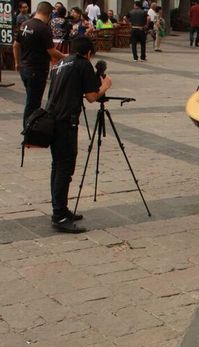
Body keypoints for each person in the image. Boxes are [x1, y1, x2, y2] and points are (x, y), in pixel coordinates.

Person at [47, 36, 112, 233]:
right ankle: (59, 215)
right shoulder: (83, 64)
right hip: (66, 122)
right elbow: (92, 97)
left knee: (58, 165)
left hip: (52, 119)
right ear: (89, 53)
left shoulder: (62, 62)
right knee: (65, 167)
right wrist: (105, 85)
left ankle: (61, 208)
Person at [13, 1, 66, 128]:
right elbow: (51, 51)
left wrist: (17, 62)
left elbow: (16, 45)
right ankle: (28, 130)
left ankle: (31, 128)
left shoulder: (24, 24)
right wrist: (65, 56)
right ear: (48, 15)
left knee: (31, 98)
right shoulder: (44, 28)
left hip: (24, 68)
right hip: (37, 69)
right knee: (33, 102)